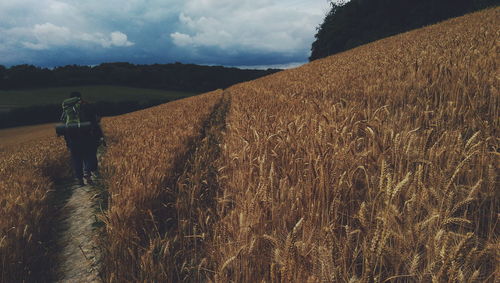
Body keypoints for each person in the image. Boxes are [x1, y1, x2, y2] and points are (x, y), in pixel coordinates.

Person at [60, 91, 105, 186]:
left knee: (76, 158)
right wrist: (100, 136)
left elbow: (64, 126)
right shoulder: (86, 106)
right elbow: (96, 121)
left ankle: (79, 180)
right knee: (90, 154)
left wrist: (67, 141)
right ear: (80, 97)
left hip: (72, 138)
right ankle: (87, 172)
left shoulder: (66, 109)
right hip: (87, 135)